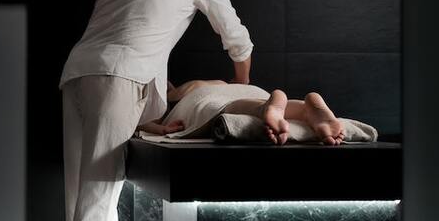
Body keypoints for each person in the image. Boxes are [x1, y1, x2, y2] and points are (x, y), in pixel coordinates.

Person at [58, 0, 254, 221]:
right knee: (99, 200)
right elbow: (235, 37)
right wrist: (243, 84)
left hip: (76, 73)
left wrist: (144, 118)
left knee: (79, 196)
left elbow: (133, 29)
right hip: (117, 79)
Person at [137, 79, 346, 146]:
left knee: (227, 106)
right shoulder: (219, 82)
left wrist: (161, 129)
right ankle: (304, 109)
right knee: (256, 100)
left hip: (202, 98)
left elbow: (142, 121)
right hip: (250, 89)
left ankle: (264, 108)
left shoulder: (178, 94)